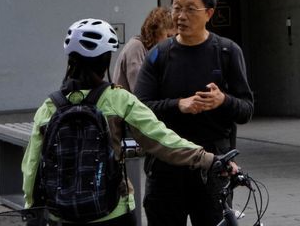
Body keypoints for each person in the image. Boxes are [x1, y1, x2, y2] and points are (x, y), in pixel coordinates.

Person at [20, 18, 228, 226]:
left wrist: (32, 209)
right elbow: (161, 139)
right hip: (112, 210)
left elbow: (32, 165)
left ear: (71, 60)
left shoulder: (50, 106)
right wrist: (207, 159)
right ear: (105, 60)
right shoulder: (118, 99)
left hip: (61, 213)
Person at [134, 0, 255, 226]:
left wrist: (223, 100)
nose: (181, 15)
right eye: (176, 8)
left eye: (191, 8)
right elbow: (139, 109)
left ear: (209, 13)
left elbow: (246, 110)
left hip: (212, 168)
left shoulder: (227, 52)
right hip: (165, 166)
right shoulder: (159, 54)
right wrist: (178, 105)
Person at [112, 6, 174, 92]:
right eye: (168, 36)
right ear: (155, 32)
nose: (172, 41)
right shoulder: (136, 47)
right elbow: (139, 90)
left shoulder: (156, 52)